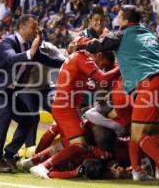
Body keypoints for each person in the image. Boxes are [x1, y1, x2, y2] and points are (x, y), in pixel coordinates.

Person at [76, 5, 159, 185]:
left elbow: (96, 45)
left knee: (137, 135)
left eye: (119, 16)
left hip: (149, 84)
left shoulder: (121, 34)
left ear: (124, 20)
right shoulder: (151, 35)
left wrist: (80, 41)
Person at [0, 14, 64, 173]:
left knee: (29, 120)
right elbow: (12, 59)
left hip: (10, 92)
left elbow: (49, 60)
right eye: (34, 26)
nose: (37, 30)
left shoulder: (29, 46)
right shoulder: (7, 42)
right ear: (21, 27)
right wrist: (31, 52)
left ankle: (9, 155)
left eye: (38, 26)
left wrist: (70, 61)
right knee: (5, 114)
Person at [29, 38, 120, 179]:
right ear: (99, 56)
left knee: (66, 141)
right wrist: (120, 68)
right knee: (80, 145)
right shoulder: (85, 59)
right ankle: (43, 167)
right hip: (66, 107)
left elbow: (83, 83)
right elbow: (102, 79)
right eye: (102, 64)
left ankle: (32, 160)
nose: (100, 66)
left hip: (65, 105)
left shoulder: (77, 57)